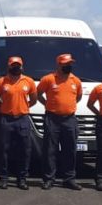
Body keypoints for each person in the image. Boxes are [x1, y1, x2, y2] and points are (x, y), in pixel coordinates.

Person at [37, 54, 84, 191]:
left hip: (69, 119)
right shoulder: (48, 79)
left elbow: (78, 96)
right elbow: (38, 93)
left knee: (70, 150)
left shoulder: (76, 80)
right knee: (50, 150)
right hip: (52, 119)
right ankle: (48, 179)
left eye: (70, 63)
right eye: (65, 64)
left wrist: (67, 106)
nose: (68, 66)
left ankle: (69, 179)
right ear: (58, 65)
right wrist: (48, 104)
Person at [0, 56, 37, 190]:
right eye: (13, 65)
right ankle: (3, 178)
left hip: (22, 119)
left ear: (22, 66)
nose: (15, 67)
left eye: (18, 65)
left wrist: (23, 106)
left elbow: (33, 99)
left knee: (24, 150)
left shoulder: (28, 81)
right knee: (3, 150)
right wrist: (3, 109)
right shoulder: (1, 82)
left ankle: (22, 179)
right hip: (6, 119)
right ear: (8, 66)